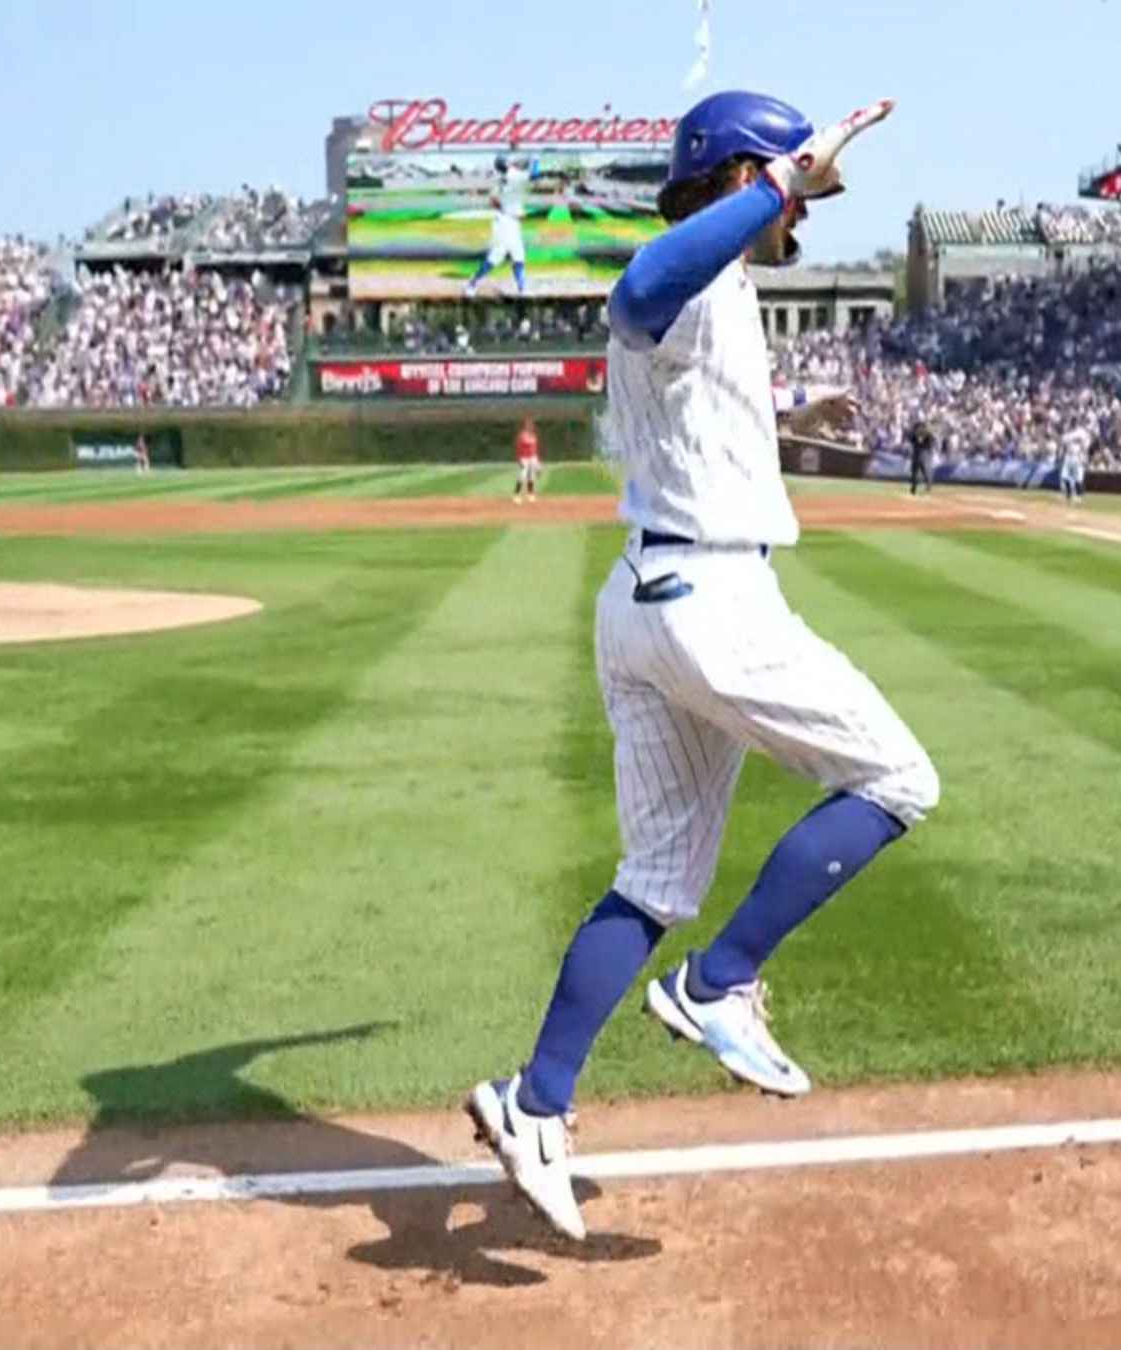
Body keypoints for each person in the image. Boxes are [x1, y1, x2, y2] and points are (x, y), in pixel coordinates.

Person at [463, 91, 934, 1241]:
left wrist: (797, 414)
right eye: (786, 194)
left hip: (651, 595)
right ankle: (721, 983)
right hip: (710, 602)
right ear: (739, 178)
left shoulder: (724, 289)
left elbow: (698, 386)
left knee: (653, 883)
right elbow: (636, 294)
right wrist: (784, 179)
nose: (803, 223)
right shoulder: (676, 275)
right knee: (898, 781)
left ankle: (536, 1103)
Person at [464, 155, 533, 300]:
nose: (511, 163)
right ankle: (472, 284)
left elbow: (493, 200)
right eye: (508, 162)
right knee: (496, 257)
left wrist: (508, 209)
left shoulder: (504, 179)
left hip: (510, 222)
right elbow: (532, 171)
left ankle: (522, 288)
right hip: (505, 223)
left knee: (518, 256)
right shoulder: (511, 177)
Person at [513, 417, 541, 503]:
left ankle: (530, 494)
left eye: (531, 425)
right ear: (525, 426)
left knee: (532, 476)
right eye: (528, 425)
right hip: (524, 458)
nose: (530, 426)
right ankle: (516, 495)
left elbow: (535, 448)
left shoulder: (533, 436)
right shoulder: (522, 435)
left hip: (533, 457)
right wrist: (519, 459)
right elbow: (518, 448)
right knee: (522, 475)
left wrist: (537, 462)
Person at [908, 420, 935, 496]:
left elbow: (911, 438)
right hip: (921, 454)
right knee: (920, 472)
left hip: (920, 454)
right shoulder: (926, 434)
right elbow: (931, 442)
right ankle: (924, 487)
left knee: (920, 472)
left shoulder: (922, 434)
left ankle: (916, 488)